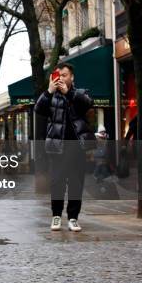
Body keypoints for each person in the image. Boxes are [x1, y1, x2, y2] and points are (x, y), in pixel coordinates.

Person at [34, 62, 95, 232]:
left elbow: (88, 104)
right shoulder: (51, 95)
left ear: (72, 77)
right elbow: (38, 109)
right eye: (58, 75)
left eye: (65, 75)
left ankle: (73, 218)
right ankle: (56, 216)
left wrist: (69, 94)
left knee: (76, 183)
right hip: (57, 146)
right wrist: (48, 91)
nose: (61, 78)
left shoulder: (80, 93)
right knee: (57, 182)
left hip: (77, 147)